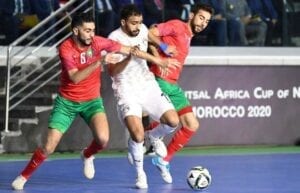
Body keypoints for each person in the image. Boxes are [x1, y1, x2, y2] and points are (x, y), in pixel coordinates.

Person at [10, 12, 176, 190]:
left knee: (103, 139)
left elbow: (131, 50)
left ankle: (87, 155)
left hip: (92, 101)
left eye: (93, 30)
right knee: (49, 147)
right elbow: (75, 78)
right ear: (75, 31)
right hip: (67, 103)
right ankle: (24, 176)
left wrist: (157, 59)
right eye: (87, 31)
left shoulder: (98, 42)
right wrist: (100, 61)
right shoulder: (65, 48)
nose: (91, 34)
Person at [107, 4, 180, 189]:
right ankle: (140, 174)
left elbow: (149, 36)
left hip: (148, 85)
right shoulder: (113, 40)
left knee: (172, 121)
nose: (137, 27)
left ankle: (155, 137)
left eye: (139, 22)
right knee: (138, 135)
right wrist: (129, 57)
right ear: (123, 22)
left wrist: (164, 46)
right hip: (126, 90)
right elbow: (113, 71)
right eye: (133, 23)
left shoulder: (141, 29)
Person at [145, 3, 214, 184]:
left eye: (207, 21)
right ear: (191, 15)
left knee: (192, 125)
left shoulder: (189, 36)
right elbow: (148, 32)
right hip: (158, 80)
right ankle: (148, 135)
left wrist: (158, 51)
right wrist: (160, 53)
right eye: (201, 18)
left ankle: (163, 160)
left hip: (173, 85)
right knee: (171, 120)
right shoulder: (177, 25)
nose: (203, 23)